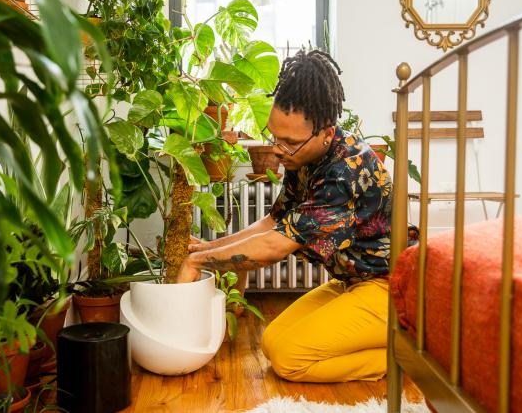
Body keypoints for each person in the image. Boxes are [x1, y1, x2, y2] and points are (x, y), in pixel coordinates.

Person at [176, 49, 417, 383]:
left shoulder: (345, 172)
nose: (277, 149)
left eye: (288, 142)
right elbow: (274, 221)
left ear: (327, 133)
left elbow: (274, 246)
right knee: (274, 343)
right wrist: (209, 247)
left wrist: (199, 262)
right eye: (275, 136)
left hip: (393, 291)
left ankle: (407, 356)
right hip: (352, 282)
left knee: (290, 360)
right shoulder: (303, 156)